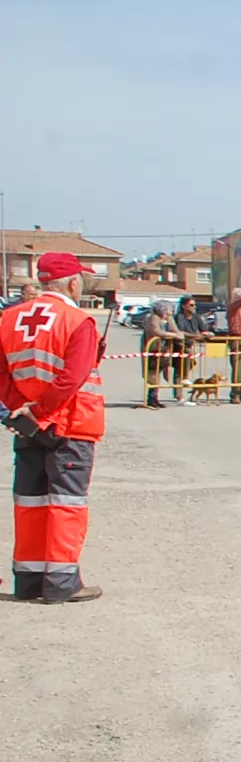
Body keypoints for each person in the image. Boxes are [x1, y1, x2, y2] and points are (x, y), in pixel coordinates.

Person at [1, 252, 108, 602]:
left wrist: (22, 411)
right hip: (70, 424)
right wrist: (41, 411)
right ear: (73, 283)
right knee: (66, 502)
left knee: (30, 502)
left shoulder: (9, 318)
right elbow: (72, 378)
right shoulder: (78, 321)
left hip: (28, 427)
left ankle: (29, 581)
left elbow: (2, 373)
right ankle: (63, 584)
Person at [139, 299, 180, 408]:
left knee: (158, 374)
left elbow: (175, 330)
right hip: (152, 350)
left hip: (162, 350)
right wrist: (173, 335)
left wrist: (171, 321)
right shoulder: (153, 318)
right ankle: (151, 399)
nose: (170, 312)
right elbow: (156, 331)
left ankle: (155, 398)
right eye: (168, 310)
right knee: (152, 375)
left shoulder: (167, 319)